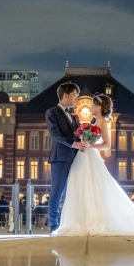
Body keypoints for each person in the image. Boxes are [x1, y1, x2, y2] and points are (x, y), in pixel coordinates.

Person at [52, 95, 134, 237]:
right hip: (83, 155)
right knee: (81, 187)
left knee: (91, 188)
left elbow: (107, 144)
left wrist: (90, 145)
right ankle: (82, 220)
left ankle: (89, 221)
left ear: (99, 107)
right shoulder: (94, 120)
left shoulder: (102, 122)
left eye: (93, 105)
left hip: (89, 155)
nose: (91, 107)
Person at [45, 82, 88, 233]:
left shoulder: (74, 116)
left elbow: (79, 133)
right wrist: (73, 144)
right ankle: (53, 226)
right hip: (61, 158)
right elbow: (55, 134)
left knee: (74, 190)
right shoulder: (52, 112)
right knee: (58, 191)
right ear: (66, 95)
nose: (76, 98)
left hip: (76, 158)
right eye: (75, 95)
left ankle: (70, 224)